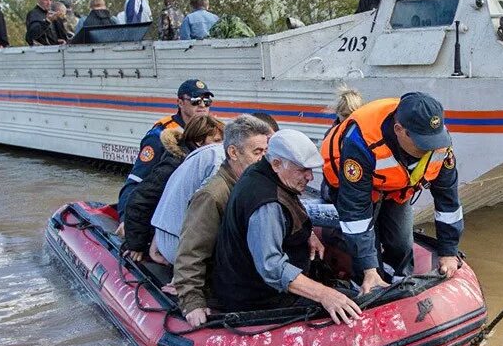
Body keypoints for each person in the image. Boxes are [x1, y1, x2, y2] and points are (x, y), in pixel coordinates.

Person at [211, 129, 362, 325]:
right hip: (260, 299)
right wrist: (325, 294)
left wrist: (309, 234)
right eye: (302, 170)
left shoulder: (260, 172)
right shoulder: (267, 205)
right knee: (354, 305)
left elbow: (288, 208)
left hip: (252, 285)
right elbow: (272, 267)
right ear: (276, 164)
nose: (309, 177)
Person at [320, 92, 463, 295]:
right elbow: (355, 213)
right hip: (356, 190)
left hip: (396, 188)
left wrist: (448, 251)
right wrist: (369, 269)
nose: (430, 149)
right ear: (399, 130)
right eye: (422, 144)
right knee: (367, 252)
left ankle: (400, 284)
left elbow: (448, 202)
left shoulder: (439, 141)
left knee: (402, 243)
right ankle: (364, 284)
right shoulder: (361, 141)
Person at [171, 114, 275, 326]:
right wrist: (192, 302)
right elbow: (192, 251)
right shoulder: (213, 195)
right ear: (233, 153)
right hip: (224, 285)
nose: (264, 159)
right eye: (257, 152)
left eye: (266, 152)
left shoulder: (257, 184)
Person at [121, 115, 225, 263]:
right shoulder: (175, 164)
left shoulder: (199, 161)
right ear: (198, 142)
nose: (221, 146)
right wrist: (137, 245)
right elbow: (140, 198)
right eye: (216, 141)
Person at [116, 79, 215, 219]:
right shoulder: (159, 136)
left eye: (207, 101)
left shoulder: (212, 132)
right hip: (165, 208)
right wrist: (125, 218)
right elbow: (136, 181)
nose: (202, 106)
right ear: (180, 103)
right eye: (195, 101)